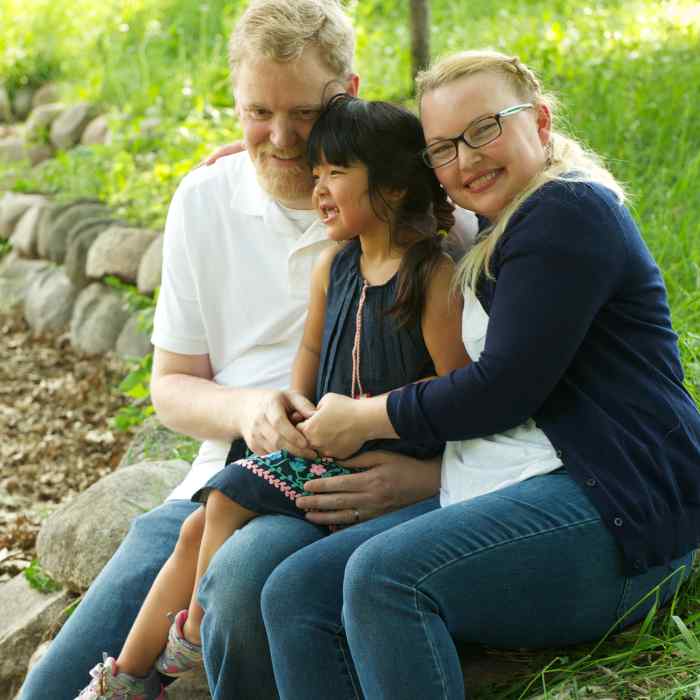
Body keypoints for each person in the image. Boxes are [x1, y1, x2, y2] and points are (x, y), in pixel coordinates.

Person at [20, 3, 475, 699]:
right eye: (258, 112)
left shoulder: (425, 217)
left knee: (240, 585)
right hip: (225, 476)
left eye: (304, 113)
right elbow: (171, 386)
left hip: (346, 478)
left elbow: (475, 392)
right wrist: (250, 411)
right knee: (52, 685)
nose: (283, 138)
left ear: (348, 93)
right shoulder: (205, 199)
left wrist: (422, 480)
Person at [259, 50, 700, 699]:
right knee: (296, 592)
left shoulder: (567, 212)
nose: (466, 160)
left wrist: (366, 418)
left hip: (619, 513)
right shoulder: (502, 219)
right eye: (443, 148)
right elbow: (373, 168)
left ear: (541, 121)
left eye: (485, 128)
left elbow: (503, 389)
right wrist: (254, 168)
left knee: (385, 579)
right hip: (517, 486)